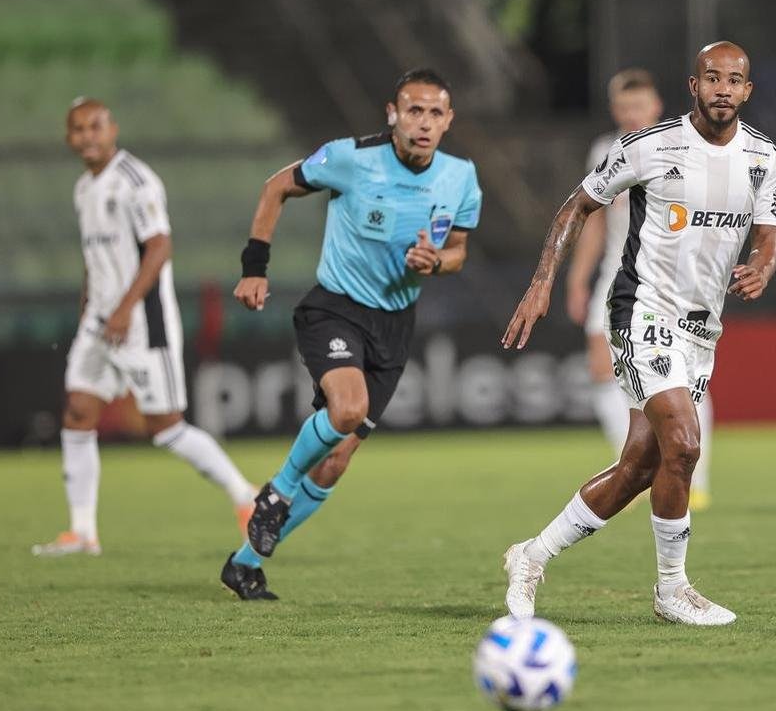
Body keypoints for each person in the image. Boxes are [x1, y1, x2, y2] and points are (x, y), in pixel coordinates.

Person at [500, 42, 776, 625]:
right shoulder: (649, 148)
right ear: (693, 85)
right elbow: (576, 208)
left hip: (701, 329)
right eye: (712, 78)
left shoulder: (765, 159)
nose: (723, 88)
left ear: (747, 91)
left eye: (735, 80)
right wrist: (542, 284)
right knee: (684, 442)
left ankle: (531, 555)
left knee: (640, 466)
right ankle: (671, 591)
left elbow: (768, 236)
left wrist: (762, 266)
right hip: (642, 310)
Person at [221, 68, 482, 600]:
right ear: (393, 113)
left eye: (435, 113)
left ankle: (244, 565)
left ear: (449, 120)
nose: (423, 123)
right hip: (336, 308)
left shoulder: (460, 178)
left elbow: (458, 251)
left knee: (336, 462)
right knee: (344, 409)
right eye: (414, 110)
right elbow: (276, 187)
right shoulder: (350, 158)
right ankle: (277, 491)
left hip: (395, 322)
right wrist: (255, 266)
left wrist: (436, 264)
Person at [34, 98, 256, 557]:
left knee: (166, 427)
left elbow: (159, 248)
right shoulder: (83, 189)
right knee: (78, 411)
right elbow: (94, 260)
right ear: (68, 137)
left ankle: (246, 496)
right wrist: (89, 310)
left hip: (141, 324)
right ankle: (82, 532)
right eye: (78, 129)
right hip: (99, 321)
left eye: (95, 126)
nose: (87, 135)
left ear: (112, 128)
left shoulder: (136, 181)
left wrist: (123, 309)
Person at [566, 68, 715, 510]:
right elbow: (592, 221)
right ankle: (628, 468)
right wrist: (577, 279)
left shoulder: (682, 146)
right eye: (624, 107)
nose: (632, 115)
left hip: (674, 282)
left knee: (684, 378)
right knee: (602, 368)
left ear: (655, 107)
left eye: (639, 106)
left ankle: (695, 479)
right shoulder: (605, 150)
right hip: (618, 277)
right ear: (615, 109)